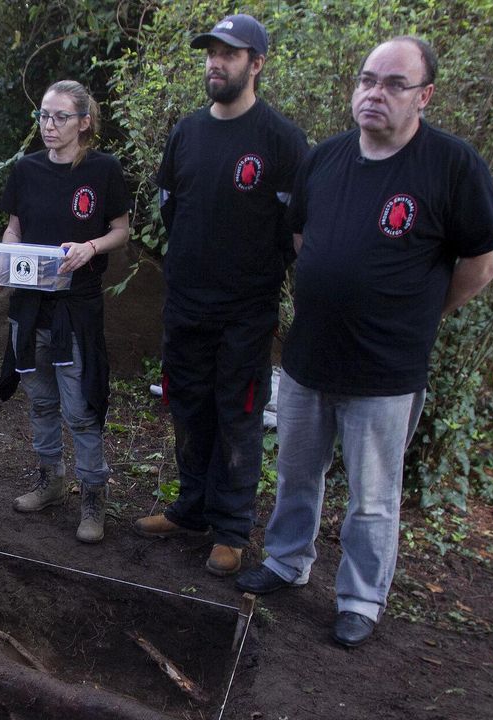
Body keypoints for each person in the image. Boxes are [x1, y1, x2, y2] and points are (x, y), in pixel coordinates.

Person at [234, 36, 493, 648]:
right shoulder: (324, 159)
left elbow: (484, 262)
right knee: (297, 474)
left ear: (424, 97)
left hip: (386, 370)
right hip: (310, 357)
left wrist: (417, 310)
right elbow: (301, 238)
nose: (374, 93)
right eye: (366, 80)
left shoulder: (451, 166)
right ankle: (286, 561)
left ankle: (359, 598)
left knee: (373, 498)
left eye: (392, 84)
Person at [133, 13, 308, 577]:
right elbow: (170, 208)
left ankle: (232, 529)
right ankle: (191, 508)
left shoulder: (281, 140)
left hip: (245, 311)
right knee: (188, 406)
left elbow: (294, 229)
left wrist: (254, 275)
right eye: (211, 52)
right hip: (186, 303)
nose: (216, 62)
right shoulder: (186, 132)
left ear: (256, 64)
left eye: (229, 54)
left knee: (239, 417)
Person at [0, 80, 131, 543]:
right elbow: (13, 230)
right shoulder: (26, 170)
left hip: (78, 309)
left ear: (84, 122)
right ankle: (50, 480)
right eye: (44, 117)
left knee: (81, 408)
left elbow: (121, 231)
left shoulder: (103, 170)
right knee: (42, 401)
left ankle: (94, 494)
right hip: (30, 308)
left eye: (60, 117)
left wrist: (91, 247)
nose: (49, 126)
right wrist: (2, 263)